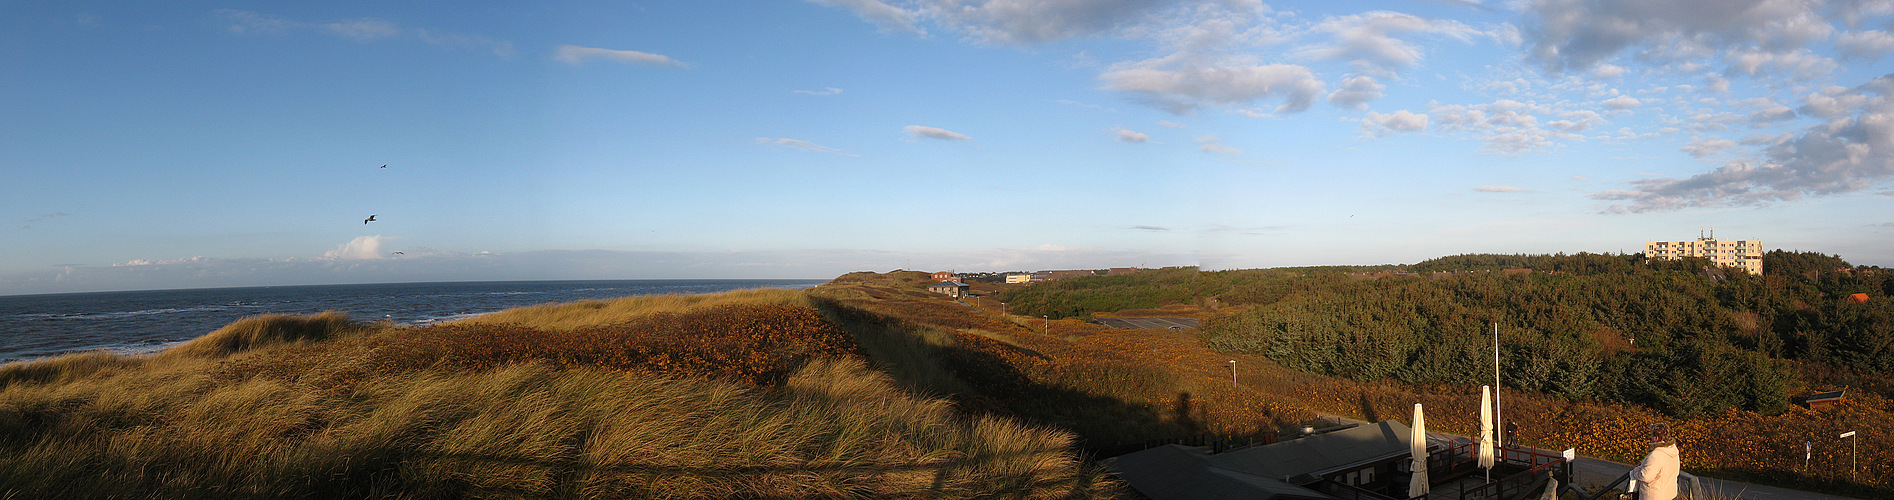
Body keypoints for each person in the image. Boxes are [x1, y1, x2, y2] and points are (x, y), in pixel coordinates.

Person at [1630, 423, 1680, 500]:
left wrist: (1635, 471)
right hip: (1671, 495)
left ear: (1656, 438)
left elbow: (1645, 476)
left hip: (1654, 496)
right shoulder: (1673, 450)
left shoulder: (1655, 455)